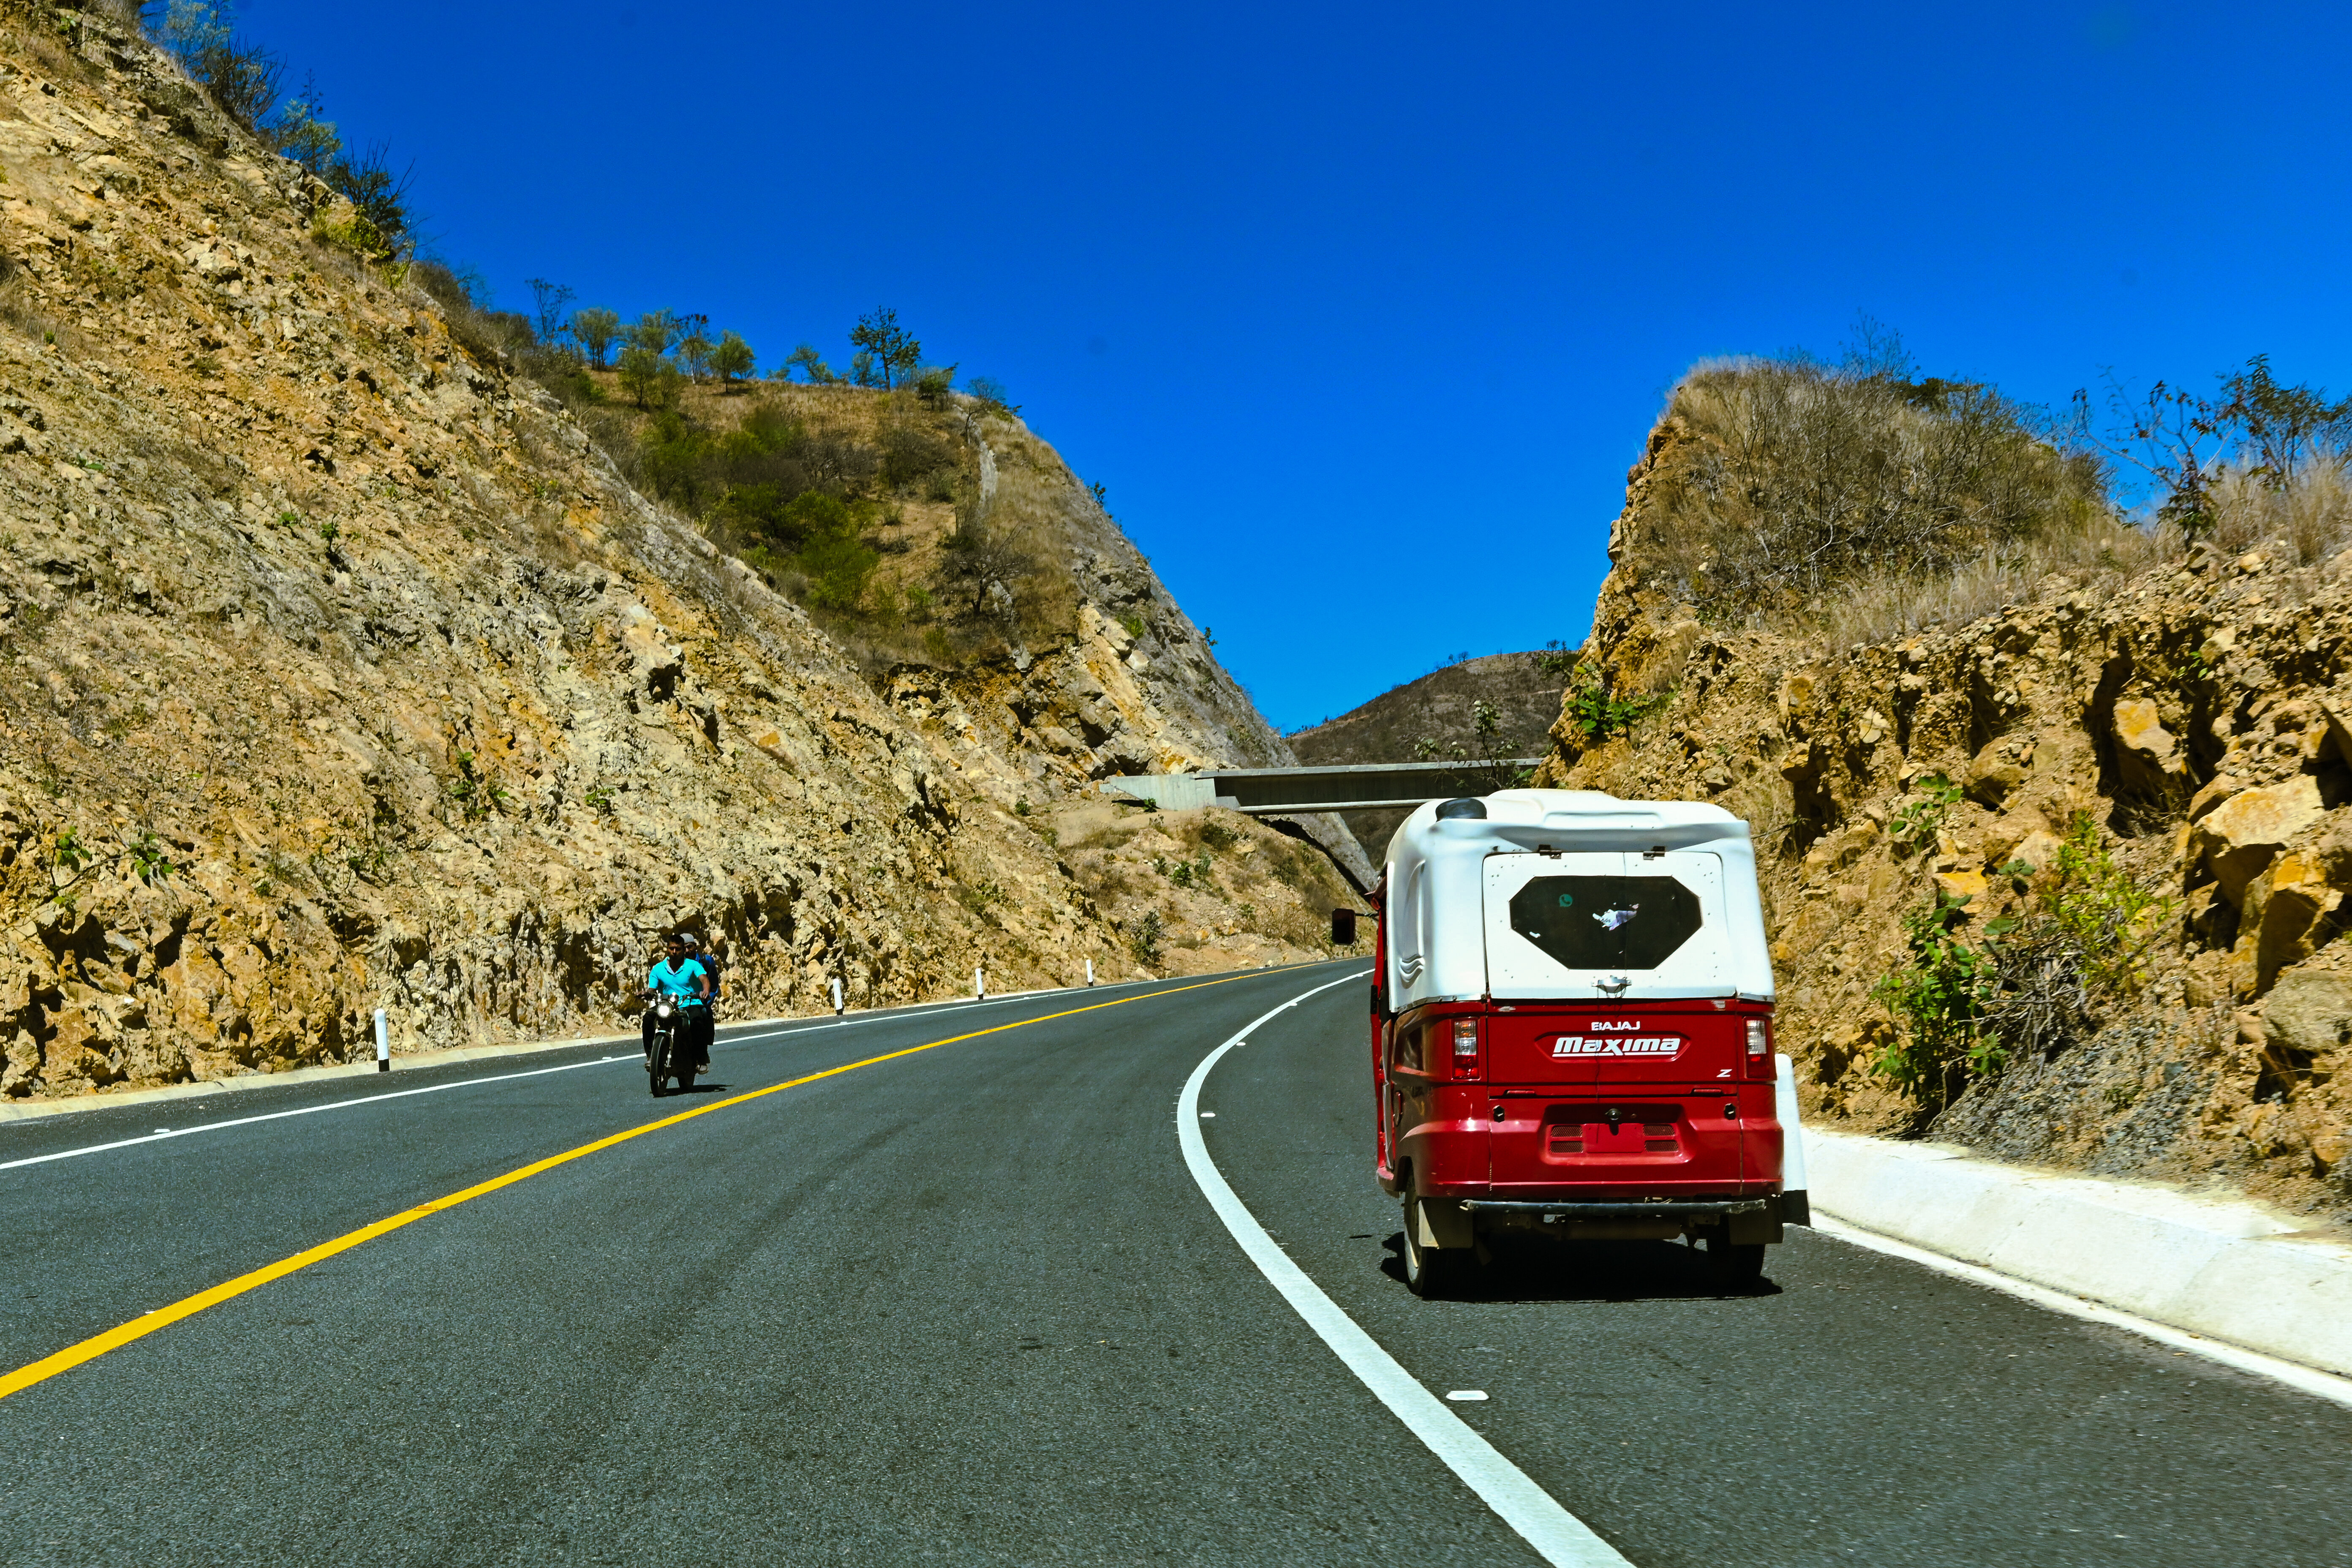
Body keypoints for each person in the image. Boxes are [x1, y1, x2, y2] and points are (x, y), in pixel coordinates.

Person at [642, 934, 710, 1073]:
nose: (674, 952)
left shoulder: (693, 965)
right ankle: (650, 1056)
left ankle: (700, 1059)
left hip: (690, 1004)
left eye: (678, 949)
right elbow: (652, 989)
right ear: (667, 949)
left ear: (684, 950)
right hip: (667, 1005)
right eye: (671, 948)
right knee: (648, 1018)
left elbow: (704, 979)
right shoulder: (658, 969)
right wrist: (647, 993)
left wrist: (705, 990)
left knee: (698, 1020)